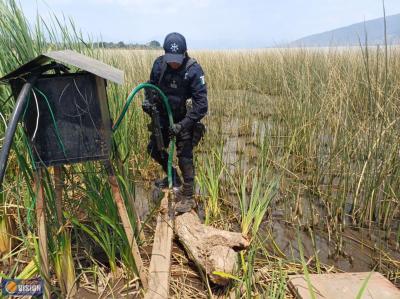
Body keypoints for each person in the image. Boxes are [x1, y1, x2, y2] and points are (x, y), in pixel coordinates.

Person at [142, 32, 208, 213]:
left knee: (184, 157)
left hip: (183, 119)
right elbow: (150, 88)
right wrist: (148, 102)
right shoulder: (159, 65)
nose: (173, 63)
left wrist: (182, 125)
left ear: (185, 53)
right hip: (162, 116)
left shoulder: (193, 70)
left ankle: (188, 196)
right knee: (153, 149)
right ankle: (172, 177)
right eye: (170, 58)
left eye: (177, 59)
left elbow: (202, 105)